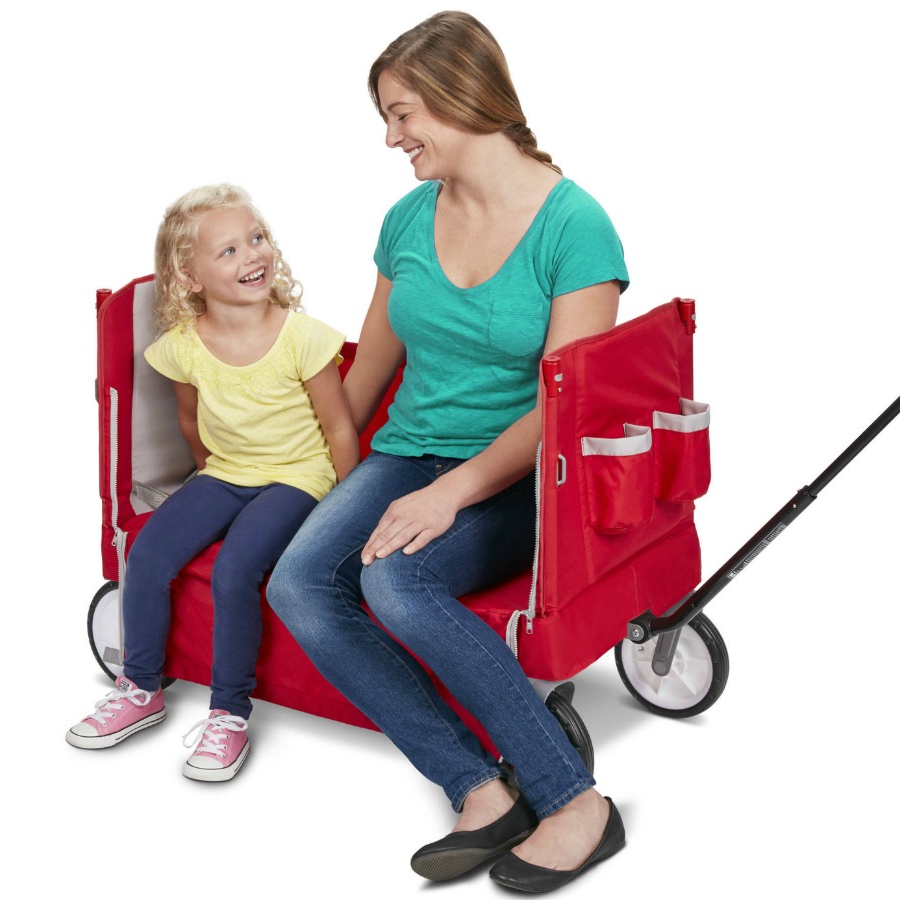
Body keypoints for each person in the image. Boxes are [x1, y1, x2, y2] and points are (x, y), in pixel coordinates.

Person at [267, 11, 627, 891]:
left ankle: (575, 800)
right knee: (298, 581)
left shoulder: (576, 227)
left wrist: (451, 494)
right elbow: (369, 369)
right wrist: (296, 467)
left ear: (464, 99)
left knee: (396, 579)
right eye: (387, 119)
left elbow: (560, 409)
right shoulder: (405, 219)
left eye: (402, 115)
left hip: (516, 477)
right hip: (406, 456)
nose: (391, 138)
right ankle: (477, 786)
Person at [67, 184, 359, 783]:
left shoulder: (302, 337)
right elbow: (188, 419)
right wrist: (207, 476)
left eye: (256, 239)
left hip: (298, 477)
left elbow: (338, 427)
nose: (252, 255)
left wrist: (348, 506)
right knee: (145, 554)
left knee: (234, 571)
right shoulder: (181, 346)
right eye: (227, 251)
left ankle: (228, 712)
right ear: (189, 277)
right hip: (226, 472)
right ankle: (140, 687)